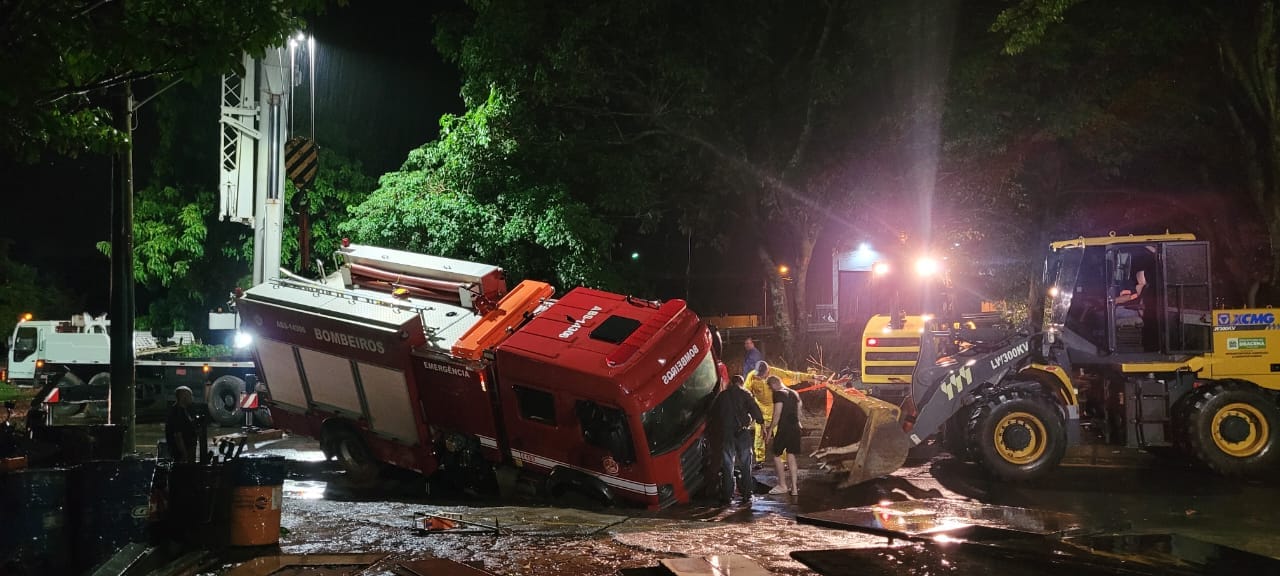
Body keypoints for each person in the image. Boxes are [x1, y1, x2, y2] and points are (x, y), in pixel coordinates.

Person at [711, 375, 764, 505]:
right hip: (742, 432)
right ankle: (747, 494)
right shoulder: (745, 394)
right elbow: (755, 410)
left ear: (731, 383)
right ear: (741, 383)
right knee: (746, 464)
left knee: (728, 464)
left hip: (726, 433)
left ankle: (727, 496)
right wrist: (762, 424)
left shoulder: (722, 396)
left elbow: (714, 414)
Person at [744, 360, 810, 462]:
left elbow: (792, 375)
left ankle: (783, 461)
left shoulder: (776, 373)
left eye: (762, 374)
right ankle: (759, 460)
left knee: (780, 435)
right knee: (759, 436)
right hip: (761, 410)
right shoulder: (751, 376)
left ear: (768, 370)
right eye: (758, 374)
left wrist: (812, 377)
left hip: (776, 408)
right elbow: (745, 391)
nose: (760, 377)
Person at [767, 376, 802, 496]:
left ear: (773, 385)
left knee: (776, 454)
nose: (771, 390)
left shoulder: (778, 394)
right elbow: (799, 412)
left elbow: (777, 414)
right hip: (795, 428)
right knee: (791, 455)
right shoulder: (794, 393)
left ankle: (782, 485)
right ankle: (795, 488)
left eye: (770, 388)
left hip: (784, 428)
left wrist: (770, 429)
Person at [165, 386, 198, 463]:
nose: (192, 398)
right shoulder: (177, 413)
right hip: (181, 454)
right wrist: (184, 454)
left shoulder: (184, 410)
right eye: (190, 395)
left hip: (186, 450)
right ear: (184, 397)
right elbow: (178, 435)